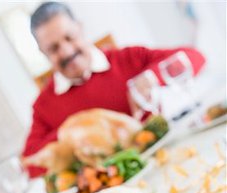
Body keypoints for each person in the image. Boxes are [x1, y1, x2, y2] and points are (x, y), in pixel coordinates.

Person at [22, 2, 205, 177]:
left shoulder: (127, 59)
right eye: (53, 49)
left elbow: (195, 57)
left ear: (80, 28)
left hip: (163, 162)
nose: (67, 52)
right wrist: (76, 130)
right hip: (105, 190)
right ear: (42, 53)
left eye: (69, 37)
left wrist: (151, 77)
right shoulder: (43, 106)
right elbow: (29, 164)